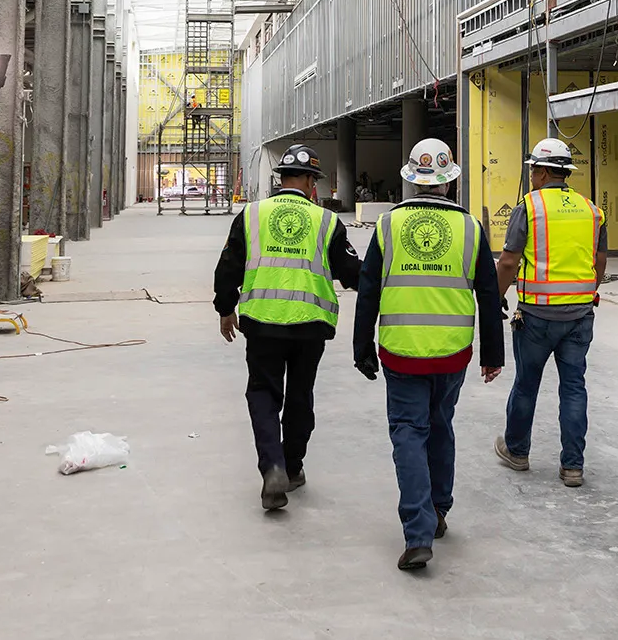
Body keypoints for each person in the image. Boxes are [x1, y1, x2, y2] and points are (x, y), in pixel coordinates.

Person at [352, 138, 504, 571]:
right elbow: (489, 297)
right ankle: (439, 509)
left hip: (401, 353)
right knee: (440, 426)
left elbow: (368, 292)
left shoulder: (386, 227)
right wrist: (493, 354)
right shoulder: (472, 229)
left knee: (408, 433)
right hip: (453, 353)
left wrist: (362, 348)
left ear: (411, 181)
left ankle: (418, 534)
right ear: (450, 184)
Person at [213, 144, 361, 511]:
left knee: (263, 393)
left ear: (281, 179)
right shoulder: (326, 221)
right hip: (310, 327)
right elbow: (352, 273)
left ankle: (273, 466)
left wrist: (225, 308)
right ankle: (292, 469)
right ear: (312, 182)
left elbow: (228, 266)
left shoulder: (251, 215)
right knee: (299, 397)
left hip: (262, 323)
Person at [494, 136, 604, 488]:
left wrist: (495, 296)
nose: (530, 176)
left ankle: (517, 451)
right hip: (579, 316)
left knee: (526, 385)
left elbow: (509, 259)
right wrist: (587, 292)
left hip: (537, 316)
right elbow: (599, 261)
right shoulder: (591, 209)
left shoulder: (530, 206)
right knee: (574, 388)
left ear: (542, 172)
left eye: (532, 171)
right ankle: (572, 466)